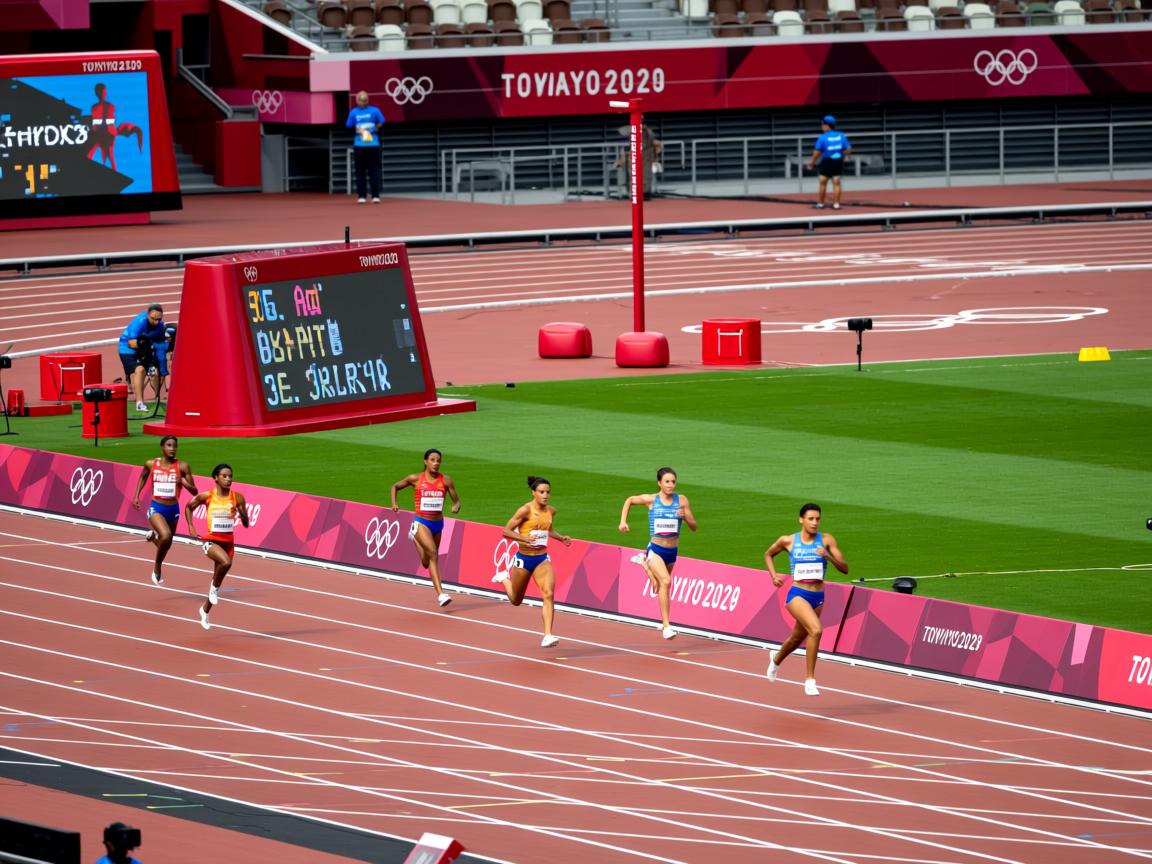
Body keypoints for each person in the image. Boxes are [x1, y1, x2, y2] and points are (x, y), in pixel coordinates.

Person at [763, 502, 849, 696]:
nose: (815, 522)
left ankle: (776, 659)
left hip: (818, 596)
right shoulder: (788, 541)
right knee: (816, 630)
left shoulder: (826, 540)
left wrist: (828, 556)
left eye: (818, 519)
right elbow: (768, 554)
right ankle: (810, 679)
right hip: (797, 595)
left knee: (797, 637)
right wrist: (773, 576)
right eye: (810, 519)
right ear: (801, 520)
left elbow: (845, 568)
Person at [618, 467, 697, 640]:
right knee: (666, 582)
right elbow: (630, 500)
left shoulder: (681, 500)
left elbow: (694, 527)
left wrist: (685, 517)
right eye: (667, 481)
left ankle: (644, 564)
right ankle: (667, 626)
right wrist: (623, 521)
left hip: (672, 551)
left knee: (659, 586)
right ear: (659, 483)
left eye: (673, 481)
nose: (670, 485)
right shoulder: (651, 500)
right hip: (656, 549)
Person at [493, 476, 572, 647]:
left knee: (549, 593)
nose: (545, 495)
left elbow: (548, 529)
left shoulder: (550, 511)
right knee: (516, 600)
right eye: (542, 492)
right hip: (524, 559)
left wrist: (561, 538)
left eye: (548, 492)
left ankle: (547, 635)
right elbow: (505, 531)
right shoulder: (525, 511)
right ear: (533, 493)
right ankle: (504, 578)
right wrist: (523, 538)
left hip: (542, 559)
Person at [390, 448, 461, 608]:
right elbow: (395, 486)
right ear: (425, 462)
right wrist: (394, 503)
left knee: (426, 562)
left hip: (438, 524)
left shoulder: (446, 481)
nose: (436, 463)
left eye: (438, 461)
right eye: (432, 460)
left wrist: (456, 506)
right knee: (434, 554)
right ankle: (441, 595)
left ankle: (414, 537)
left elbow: (457, 500)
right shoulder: (415, 479)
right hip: (422, 522)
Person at [184, 464, 250, 630]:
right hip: (211, 540)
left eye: (230, 476)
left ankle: (205, 610)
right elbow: (188, 507)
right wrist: (191, 527)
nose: (228, 479)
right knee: (226, 563)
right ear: (216, 478)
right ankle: (213, 590)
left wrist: (243, 515)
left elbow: (246, 524)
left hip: (228, 542)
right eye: (224, 476)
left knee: (218, 578)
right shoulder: (207, 496)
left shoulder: (238, 498)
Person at [131, 435, 198, 585]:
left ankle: (153, 538)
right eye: (169, 445)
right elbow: (142, 477)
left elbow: (194, 491)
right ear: (162, 447)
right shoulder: (151, 464)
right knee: (166, 536)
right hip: (156, 507)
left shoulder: (182, 467)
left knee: (166, 543)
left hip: (173, 509)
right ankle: (157, 567)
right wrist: (136, 496)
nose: (172, 449)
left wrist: (184, 483)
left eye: (175, 446)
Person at [117, 303, 168, 413]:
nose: (156, 322)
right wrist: (147, 345)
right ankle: (139, 403)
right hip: (127, 349)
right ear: (148, 315)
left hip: (145, 349)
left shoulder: (160, 326)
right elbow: (131, 343)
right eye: (153, 319)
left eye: (159, 319)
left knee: (154, 371)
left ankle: (158, 398)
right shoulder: (140, 322)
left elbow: (160, 343)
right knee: (140, 370)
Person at [345, 90, 384, 204]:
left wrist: (375, 127)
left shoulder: (373, 110)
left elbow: (381, 121)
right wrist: (374, 126)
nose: (362, 102)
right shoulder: (355, 112)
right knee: (364, 171)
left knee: (371, 171)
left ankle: (372, 196)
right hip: (362, 145)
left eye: (363, 100)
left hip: (370, 145)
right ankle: (365, 196)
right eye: (361, 100)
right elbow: (348, 125)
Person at [806, 115, 852, 211]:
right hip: (838, 161)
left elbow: (817, 152)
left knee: (823, 181)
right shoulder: (841, 135)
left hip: (827, 161)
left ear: (827, 125)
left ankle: (821, 204)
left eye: (822, 124)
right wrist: (843, 155)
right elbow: (848, 150)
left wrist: (812, 163)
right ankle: (836, 205)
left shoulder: (823, 137)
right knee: (837, 182)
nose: (822, 126)